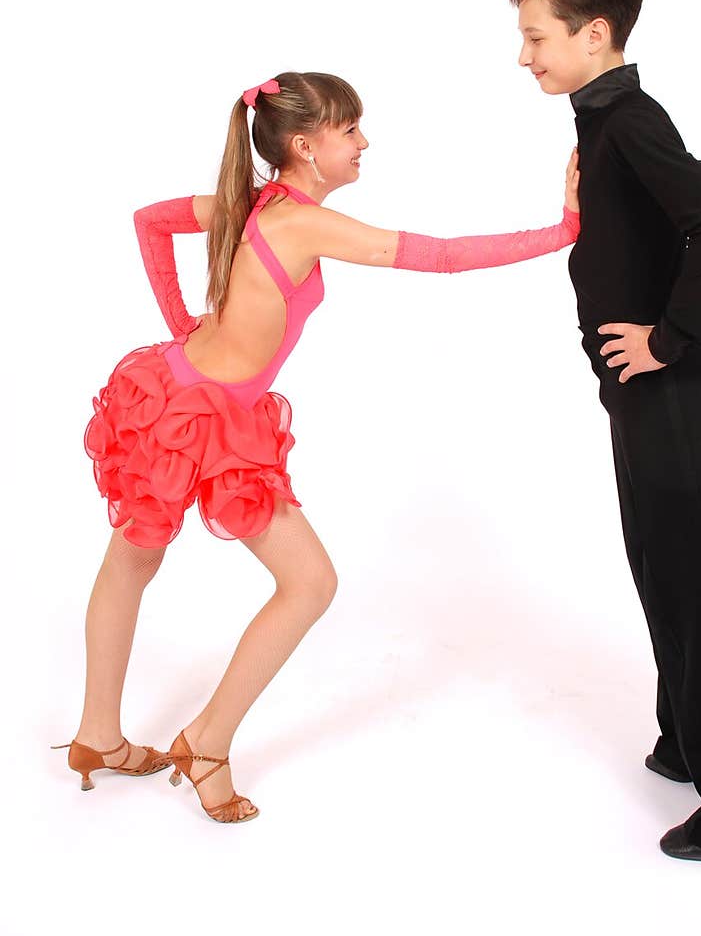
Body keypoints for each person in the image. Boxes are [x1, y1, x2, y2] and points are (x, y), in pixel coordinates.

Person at [56, 72, 580, 823]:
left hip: (172, 396)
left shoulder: (254, 200)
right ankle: (201, 741)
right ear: (305, 145)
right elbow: (442, 256)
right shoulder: (301, 222)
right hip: (199, 419)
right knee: (308, 583)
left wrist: (182, 328)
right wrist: (562, 230)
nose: (364, 142)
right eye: (351, 129)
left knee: (133, 562)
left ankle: (98, 736)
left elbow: (150, 220)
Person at [508, 0, 701, 861]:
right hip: (635, 390)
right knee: (661, 568)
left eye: (536, 36)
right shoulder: (600, 123)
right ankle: (689, 736)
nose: (524, 56)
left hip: (667, 385)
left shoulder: (630, 118)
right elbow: (628, 242)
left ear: (595, 35)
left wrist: (668, 338)